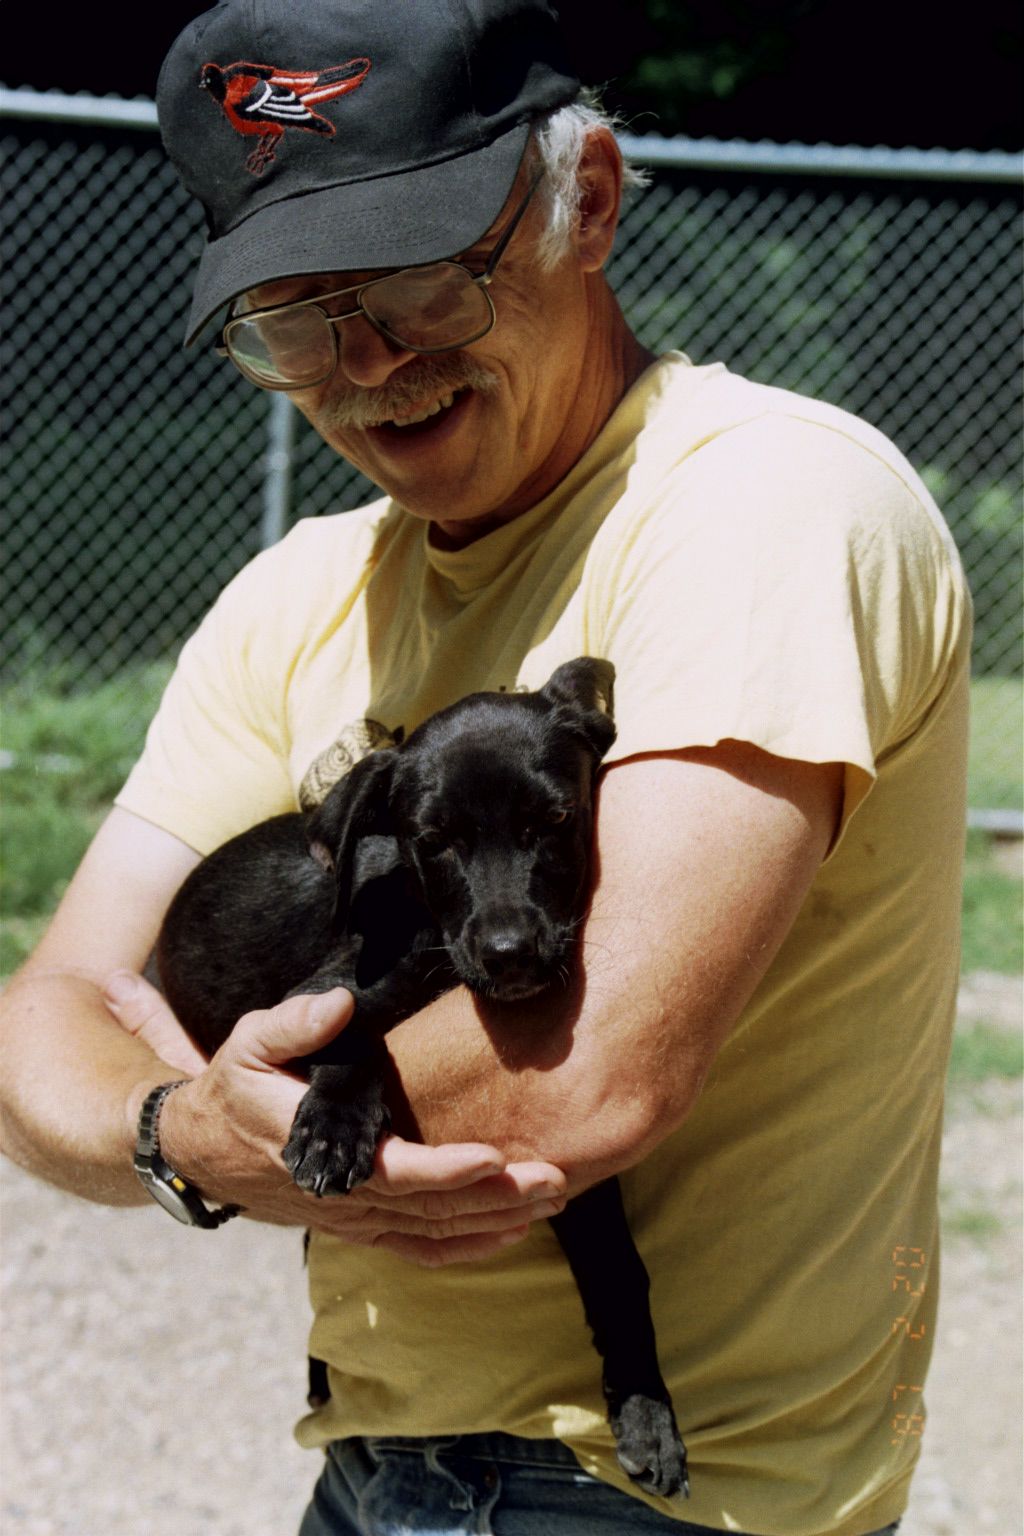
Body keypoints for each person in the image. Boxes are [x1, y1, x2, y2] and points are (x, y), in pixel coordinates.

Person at [0, 2, 971, 1533]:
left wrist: (262, 1107)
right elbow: (44, 1029)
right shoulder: (295, 593)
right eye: (293, 318)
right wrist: (187, 1132)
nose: (367, 360)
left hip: (660, 1499)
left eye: (413, 281)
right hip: (375, 1469)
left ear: (585, 203)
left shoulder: (766, 507)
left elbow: (580, 1076)